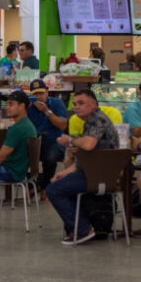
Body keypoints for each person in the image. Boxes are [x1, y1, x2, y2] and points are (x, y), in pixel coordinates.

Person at [46, 89, 119, 245]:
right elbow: (88, 158)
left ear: (94, 104)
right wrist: (65, 172)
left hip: (98, 177)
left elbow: (88, 144)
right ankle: (78, 227)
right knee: (59, 184)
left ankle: (83, 230)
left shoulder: (97, 119)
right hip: (95, 173)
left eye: (81, 103)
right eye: (74, 104)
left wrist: (70, 140)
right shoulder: (91, 121)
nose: (76, 107)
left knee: (54, 190)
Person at [24, 79, 69, 193]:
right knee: (18, 157)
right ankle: (31, 186)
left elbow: (63, 126)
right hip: (33, 142)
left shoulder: (56, 103)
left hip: (53, 142)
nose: (39, 97)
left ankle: (45, 187)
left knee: (50, 159)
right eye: (35, 94)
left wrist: (47, 111)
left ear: (47, 92)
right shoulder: (28, 107)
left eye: (41, 93)